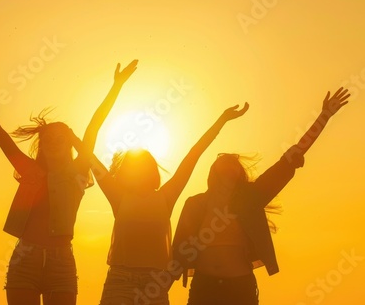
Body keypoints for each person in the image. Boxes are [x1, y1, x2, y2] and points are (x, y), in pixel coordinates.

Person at [0, 60, 138, 305]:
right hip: (25, 259)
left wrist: (116, 86)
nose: (54, 142)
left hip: (62, 263)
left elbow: (95, 125)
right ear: (42, 145)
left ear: (69, 143)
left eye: (61, 139)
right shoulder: (29, 169)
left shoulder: (77, 171)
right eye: (48, 139)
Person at [171, 87, 350, 305]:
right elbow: (178, 253)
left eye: (232, 163)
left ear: (239, 172)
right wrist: (155, 290)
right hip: (204, 288)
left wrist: (324, 116)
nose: (227, 163)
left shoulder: (252, 197)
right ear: (212, 172)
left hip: (240, 288)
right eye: (222, 162)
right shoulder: (195, 204)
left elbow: (292, 157)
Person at [88, 96, 250, 304]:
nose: (140, 171)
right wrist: (116, 87)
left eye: (145, 165)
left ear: (153, 170)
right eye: (134, 167)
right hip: (120, 280)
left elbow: (194, 154)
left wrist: (222, 120)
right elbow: (88, 153)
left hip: (155, 282)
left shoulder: (166, 196)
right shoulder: (118, 196)